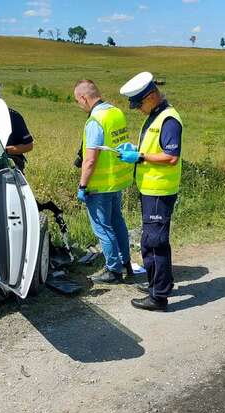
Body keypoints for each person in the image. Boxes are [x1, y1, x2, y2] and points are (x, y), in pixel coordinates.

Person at [117, 72, 183, 311]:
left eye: (140, 103)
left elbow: (171, 156)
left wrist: (141, 156)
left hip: (160, 190)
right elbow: (155, 147)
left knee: (154, 242)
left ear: (152, 95)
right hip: (151, 188)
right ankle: (163, 284)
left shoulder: (169, 120)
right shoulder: (156, 116)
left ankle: (158, 297)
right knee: (154, 240)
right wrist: (135, 149)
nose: (138, 109)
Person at [73, 79, 135, 284]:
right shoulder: (116, 113)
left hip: (99, 184)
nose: (79, 106)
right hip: (117, 180)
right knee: (118, 223)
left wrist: (82, 186)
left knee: (102, 227)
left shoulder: (95, 121)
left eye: (78, 101)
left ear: (84, 97)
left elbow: (89, 160)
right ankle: (126, 263)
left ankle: (113, 270)